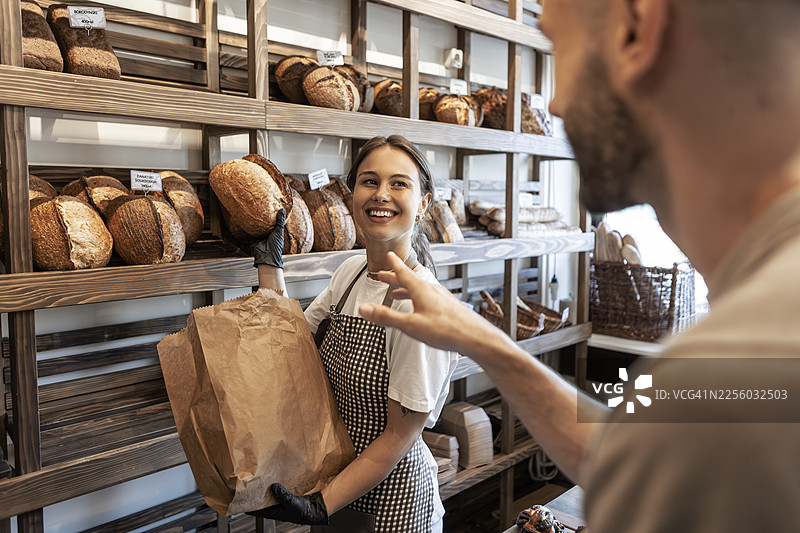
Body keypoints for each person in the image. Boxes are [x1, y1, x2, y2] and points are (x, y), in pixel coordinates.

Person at [357, 1, 800, 532]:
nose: (558, 105)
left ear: (636, 29)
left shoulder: (736, 356)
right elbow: (624, 450)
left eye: (558, 46)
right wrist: (482, 339)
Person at [251, 135, 458, 533]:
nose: (382, 195)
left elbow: (400, 435)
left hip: (390, 501)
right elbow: (291, 344)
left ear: (424, 204)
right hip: (335, 484)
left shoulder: (418, 302)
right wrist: (269, 264)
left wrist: (320, 506)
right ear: (352, 196)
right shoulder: (350, 274)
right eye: (369, 181)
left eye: (399, 183)